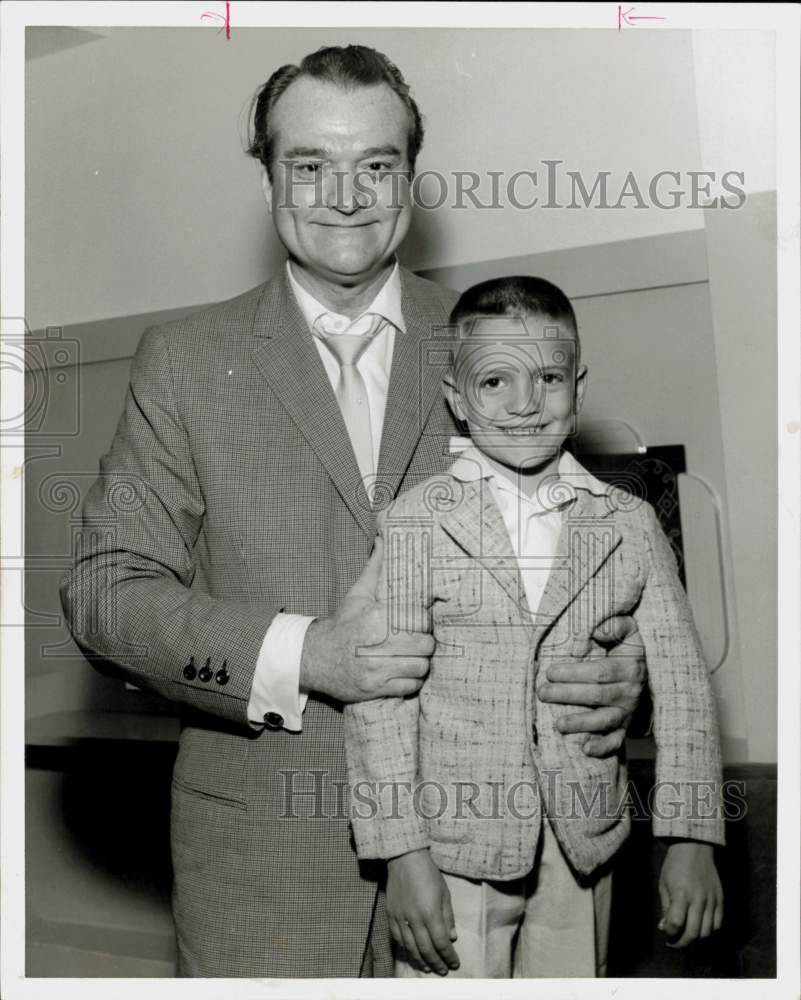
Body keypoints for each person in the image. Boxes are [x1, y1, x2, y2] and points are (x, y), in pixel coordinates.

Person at [61, 47, 647, 978]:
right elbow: (104, 594)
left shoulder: (494, 337)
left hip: (497, 857)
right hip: (268, 864)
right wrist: (305, 653)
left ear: (410, 179)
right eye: (310, 166)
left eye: (375, 165)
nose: (346, 195)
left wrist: (618, 669)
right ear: (267, 182)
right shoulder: (180, 359)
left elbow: (594, 565)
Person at [344, 275, 725, 979]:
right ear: (456, 397)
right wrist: (399, 853)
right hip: (450, 845)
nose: (524, 404)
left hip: (584, 842)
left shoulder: (628, 523)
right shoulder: (412, 524)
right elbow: (379, 706)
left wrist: (691, 837)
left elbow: (682, 689)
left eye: (547, 377)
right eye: (495, 382)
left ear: (577, 386)